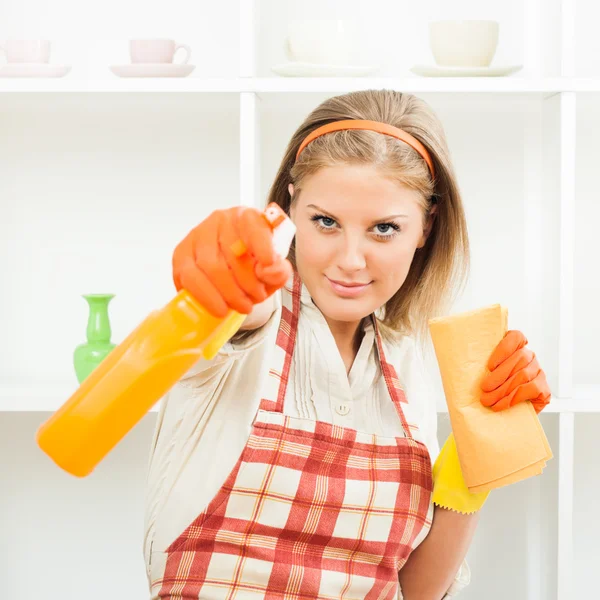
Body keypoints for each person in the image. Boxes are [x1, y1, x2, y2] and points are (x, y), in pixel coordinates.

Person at [143, 89, 551, 599]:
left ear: (426, 227)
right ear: (289, 206)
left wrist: (476, 460)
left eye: (384, 229)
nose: (351, 260)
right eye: (326, 222)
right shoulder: (245, 328)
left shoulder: (404, 362)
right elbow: (241, 317)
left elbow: (415, 591)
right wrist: (222, 286)